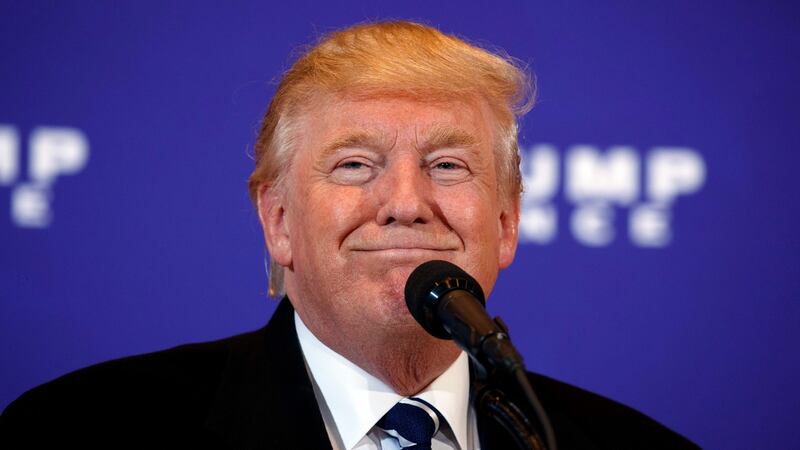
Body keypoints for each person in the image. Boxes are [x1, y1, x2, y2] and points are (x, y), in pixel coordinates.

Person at [1, 21, 697, 449]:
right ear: (278, 222)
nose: (404, 203)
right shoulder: (80, 429)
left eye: (447, 165)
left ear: (507, 223)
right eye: (355, 165)